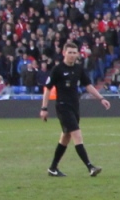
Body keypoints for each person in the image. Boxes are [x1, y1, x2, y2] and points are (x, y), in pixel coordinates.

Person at [39, 43, 109, 177]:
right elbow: (47, 88)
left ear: (77, 54)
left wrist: (101, 98)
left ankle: (53, 168)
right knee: (77, 135)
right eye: (69, 52)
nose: (72, 55)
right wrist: (44, 108)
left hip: (74, 106)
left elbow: (88, 85)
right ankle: (90, 167)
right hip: (63, 106)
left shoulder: (78, 69)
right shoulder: (57, 69)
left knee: (65, 137)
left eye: (74, 53)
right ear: (64, 53)